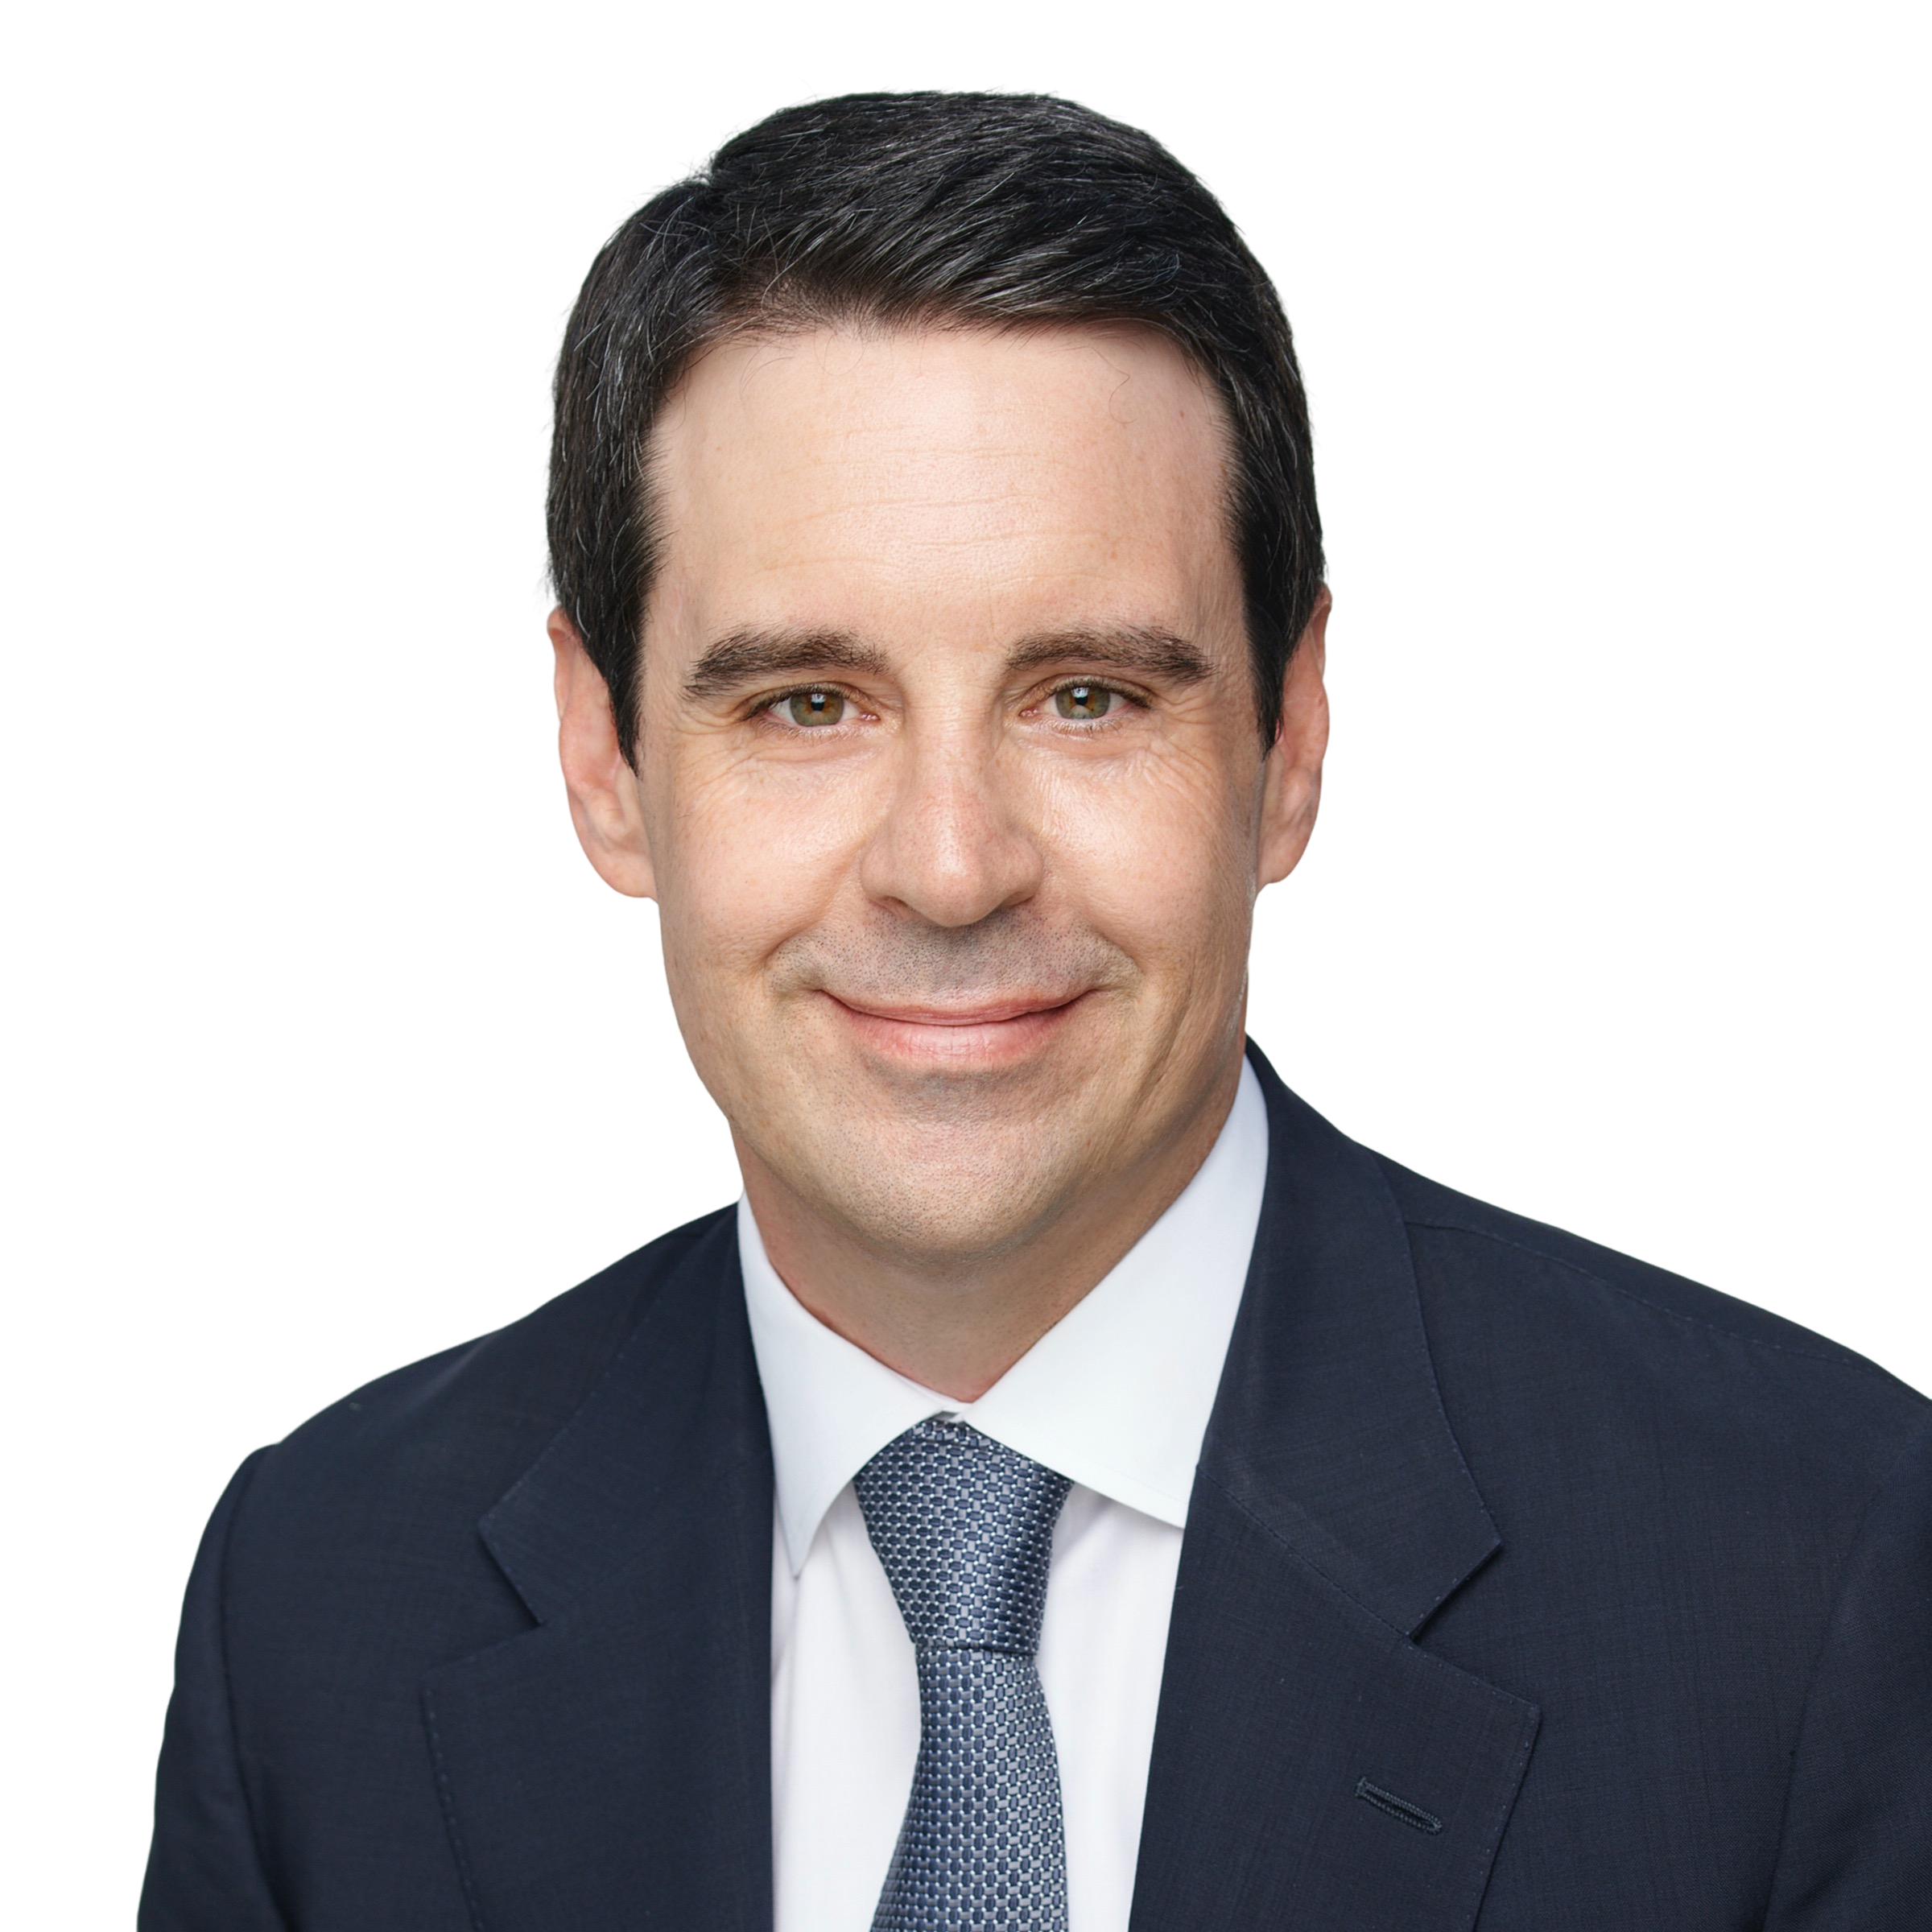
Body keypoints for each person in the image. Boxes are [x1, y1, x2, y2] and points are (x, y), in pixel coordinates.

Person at [128, 84, 1928, 1932]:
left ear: (1298, 742)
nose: (951, 867)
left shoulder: (1825, 1567)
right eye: (807, 704)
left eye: (1087, 697)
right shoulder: (314, 1589)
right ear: (598, 764)